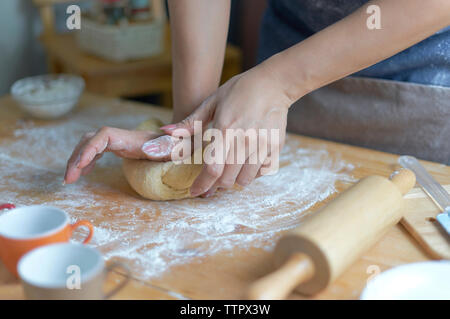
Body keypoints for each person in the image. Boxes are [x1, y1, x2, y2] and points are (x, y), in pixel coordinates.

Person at [64, 0, 450, 198]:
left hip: (418, 90)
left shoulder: (277, 82)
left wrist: (281, 82)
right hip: (285, 71)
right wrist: (193, 129)